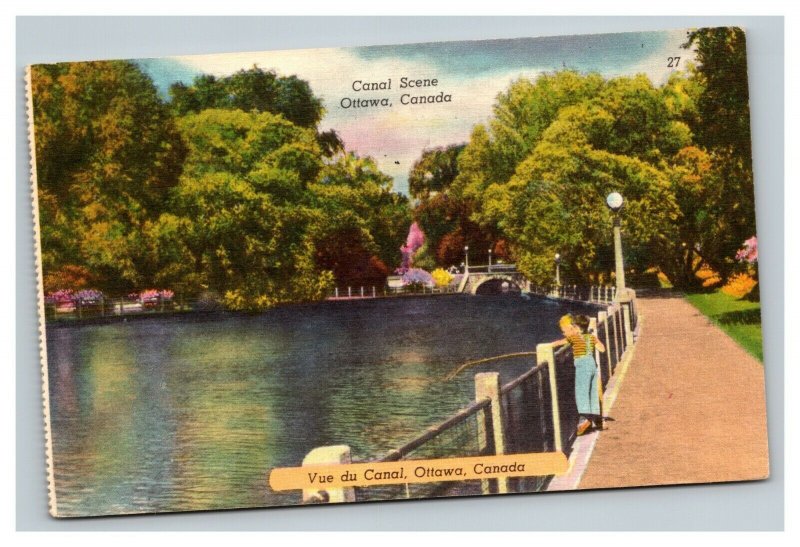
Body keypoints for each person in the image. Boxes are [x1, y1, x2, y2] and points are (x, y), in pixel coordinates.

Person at [552, 314, 606, 435]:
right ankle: (597, 419)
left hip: (582, 366)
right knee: (592, 392)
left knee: (581, 392)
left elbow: (560, 342)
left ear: (576, 327)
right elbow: (602, 349)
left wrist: (551, 345)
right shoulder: (591, 337)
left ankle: (585, 419)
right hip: (592, 365)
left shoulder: (574, 338)